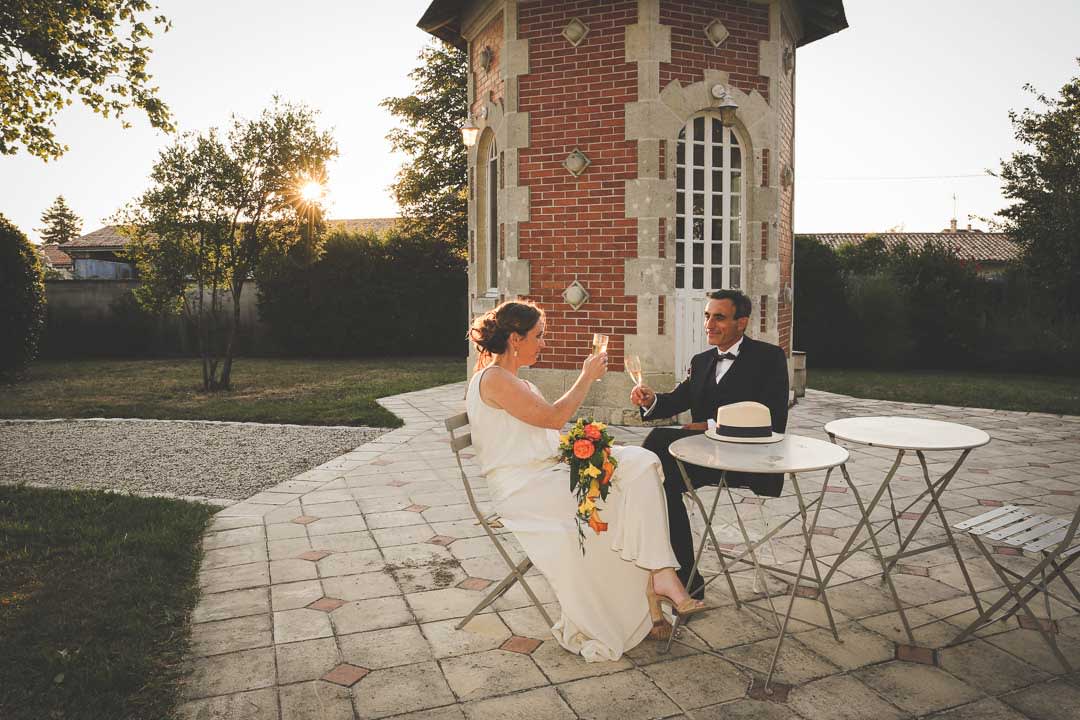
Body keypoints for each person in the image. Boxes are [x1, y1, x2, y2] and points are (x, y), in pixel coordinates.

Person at [465, 300, 705, 662]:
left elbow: (543, 435)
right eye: (538, 336)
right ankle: (653, 588)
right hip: (523, 489)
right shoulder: (495, 378)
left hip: (548, 474)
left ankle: (661, 573)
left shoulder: (518, 381)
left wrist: (589, 447)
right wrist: (586, 376)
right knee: (619, 500)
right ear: (515, 339)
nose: (543, 343)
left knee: (641, 462)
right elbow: (553, 418)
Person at [630, 289, 789, 597]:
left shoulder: (769, 358)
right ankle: (687, 581)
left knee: (658, 450)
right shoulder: (701, 361)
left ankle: (667, 572)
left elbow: (773, 419)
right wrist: (651, 400)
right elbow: (676, 400)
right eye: (707, 316)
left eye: (719, 317)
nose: (709, 324)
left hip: (748, 462)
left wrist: (712, 426)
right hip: (703, 461)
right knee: (660, 487)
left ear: (741, 322)